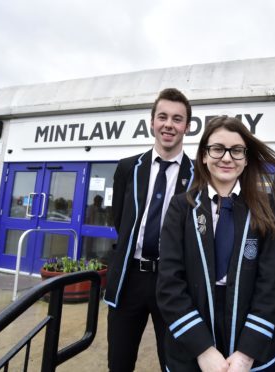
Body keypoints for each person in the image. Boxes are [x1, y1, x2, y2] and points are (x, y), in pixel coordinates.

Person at [156, 116, 275, 372]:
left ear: (246, 158)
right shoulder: (181, 208)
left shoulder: (265, 206)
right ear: (204, 156)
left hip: (249, 332)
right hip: (192, 337)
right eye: (218, 148)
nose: (227, 158)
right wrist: (203, 350)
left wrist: (246, 354)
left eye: (237, 150)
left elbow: (269, 286)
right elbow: (169, 284)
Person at [104, 88, 195, 371]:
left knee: (174, 362)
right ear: (152, 122)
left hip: (172, 281)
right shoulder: (127, 168)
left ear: (187, 127)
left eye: (177, 119)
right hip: (129, 279)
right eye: (163, 117)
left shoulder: (198, 176)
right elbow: (119, 219)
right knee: (119, 362)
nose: (169, 124)